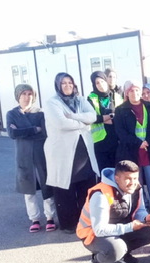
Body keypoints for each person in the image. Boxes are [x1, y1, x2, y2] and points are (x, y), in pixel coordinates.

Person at [76, 160, 150, 263]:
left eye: (135, 178)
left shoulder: (137, 188)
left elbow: (139, 210)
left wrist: (146, 218)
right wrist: (130, 227)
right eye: (128, 178)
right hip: (92, 235)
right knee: (116, 249)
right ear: (117, 178)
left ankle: (123, 253)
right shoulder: (100, 195)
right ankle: (98, 260)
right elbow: (99, 230)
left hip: (119, 228)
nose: (133, 183)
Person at [44, 72, 99, 233]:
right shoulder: (51, 103)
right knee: (65, 188)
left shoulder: (81, 100)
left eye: (70, 82)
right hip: (63, 152)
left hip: (83, 152)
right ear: (58, 86)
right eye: (63, 83)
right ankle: (68, 223)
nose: (68, 86)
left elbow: (93, 116)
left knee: (85, 185)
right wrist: (83, 123)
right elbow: (61, 123)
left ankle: (85, 220)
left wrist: (74, 116)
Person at [6, 84, 57, 233]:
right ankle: (34, 218)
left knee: (47, 185)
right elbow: (12, 134)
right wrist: (34, 129)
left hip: (41, 153)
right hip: (23, 155)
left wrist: (22, 130)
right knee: (28, 188)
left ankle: (50, 217)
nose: (27, 97)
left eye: (30, 94)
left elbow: (44, 132)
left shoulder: (40, 113)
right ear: (18, 96)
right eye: (24, 94)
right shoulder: (12, 114)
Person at [115, 80, 150, 213]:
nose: (135, 93)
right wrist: (138, 143)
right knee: (135, 180)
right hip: (132, 151)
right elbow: (121, 132)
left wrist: (149, 141)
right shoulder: (121, 110)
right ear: (127, 93)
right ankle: (141, 205)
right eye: (131, 91)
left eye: (137, 90)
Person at [87, 71, 121, 170]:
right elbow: (92, 118)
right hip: (101, 142)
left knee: (119, 172)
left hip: (117, 140)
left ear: (106, 81)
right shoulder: (91, 98)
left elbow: (121, 117)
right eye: (97, 83)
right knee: (105, 173)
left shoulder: (117, 96)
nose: (100, 85)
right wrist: (111, 116)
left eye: (102, 81)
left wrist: (103, 118)